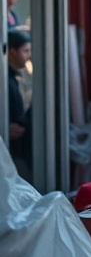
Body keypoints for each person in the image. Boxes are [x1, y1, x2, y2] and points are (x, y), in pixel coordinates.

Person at [6, 30, 32, 177]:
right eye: (25, 51)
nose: (29, 56)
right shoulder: (5, 79)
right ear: (12, 52)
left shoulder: (16, 77)